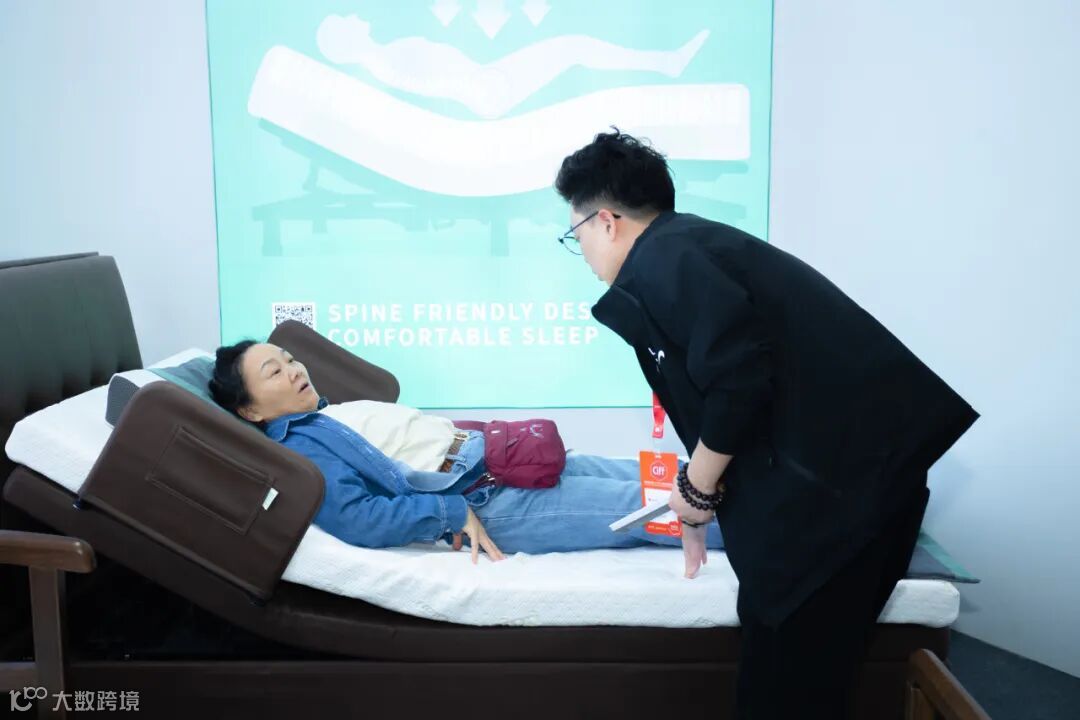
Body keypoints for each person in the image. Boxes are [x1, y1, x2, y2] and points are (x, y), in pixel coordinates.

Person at [553, 129, 979, 719]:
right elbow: (732, 393)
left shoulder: (667, 257)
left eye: (574, 234)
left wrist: (697, 489)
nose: (582, 252)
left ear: (606, 221)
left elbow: (739, 381)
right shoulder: (687, 247)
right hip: (847, 490)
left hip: (843, 500)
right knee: (791, 672)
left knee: (785, 686)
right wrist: (698, 502)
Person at [208, 340, 723, 564]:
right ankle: (765, 531)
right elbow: (358, 517)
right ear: (250, 410)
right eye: (274, 372)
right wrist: (449, 513)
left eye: (290, 359)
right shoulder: (301, 448)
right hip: (489, 500)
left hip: (500, 462)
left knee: (667, 476)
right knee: (651, 504)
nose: (295, 370)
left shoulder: (325, 416)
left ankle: (752, 488)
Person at [316, 14, 709, 118]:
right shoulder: (383, 60)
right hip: (486, 86)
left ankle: (666, 62)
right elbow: (434, 84)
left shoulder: (384, 57)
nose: (353, 16)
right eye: (344, 21)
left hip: (486, 79)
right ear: (345, 39)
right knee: (574, 46)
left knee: (574, 47)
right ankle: (667, 63)